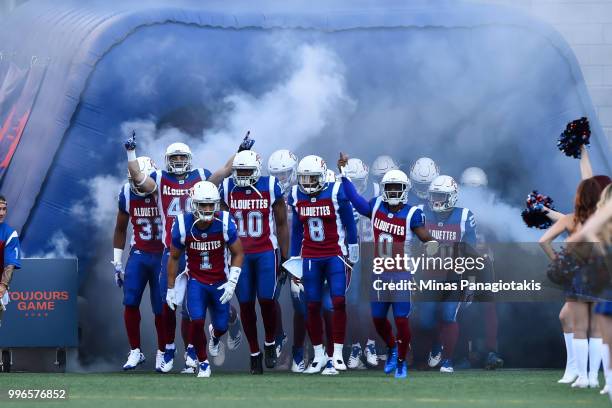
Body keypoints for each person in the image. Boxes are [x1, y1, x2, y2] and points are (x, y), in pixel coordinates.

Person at [123, 133, 245, 373]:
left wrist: (241, 150)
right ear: (168, 159)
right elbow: (138, 178)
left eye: (182, 156)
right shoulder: (159, 177)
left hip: (199, 250)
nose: (178, 161)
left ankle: (193, 349)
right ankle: (169, 348)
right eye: (174, 157)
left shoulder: (201, 176)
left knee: (192, 308)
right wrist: (130, 152)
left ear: (189, 158)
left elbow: (226, 170)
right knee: (167, 302)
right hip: (173, 248)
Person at [339, 153, 437, 378]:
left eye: (397, 188)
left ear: (405, 189)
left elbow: (424, 236)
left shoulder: (413, 212)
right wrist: (343, 175)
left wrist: (432, 243)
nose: (393, 192)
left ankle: (401, 361)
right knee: (378, 319)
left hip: (401, 274)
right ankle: (393, 348)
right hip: (380, 274)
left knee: (401, 319)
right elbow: (355, 200)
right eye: (389, 187)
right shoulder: (375, 206)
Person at [219, 150, 289, 374]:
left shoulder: (270, 186)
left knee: (267, 301)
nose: (242, 175)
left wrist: (286, 257)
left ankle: (269, 342)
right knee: (246, 305)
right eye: (239, 171)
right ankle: (254, 353)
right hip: (240, 255)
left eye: (247, 171)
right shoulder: (228, 187)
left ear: (257, 170)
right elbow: (222, 226)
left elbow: (282, 224)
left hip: (266, 252)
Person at [288, 155, 359, 375]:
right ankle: (318, 356)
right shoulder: (295, 194)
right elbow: (297, 230)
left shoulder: (336, 191)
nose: (307, 183)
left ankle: (336, 354)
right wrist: (293, 259)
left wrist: (353, 250)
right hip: (310, 256)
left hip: (334, 254)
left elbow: (349, 223)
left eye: (312, 178)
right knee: (311, 305)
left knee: (337, 301)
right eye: (304, 178)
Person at [165, 181, 244, 378]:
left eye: (211, 205)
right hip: (196, 281)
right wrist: (171, 288)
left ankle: (215, 337)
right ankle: (203, 362)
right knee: (196, 322)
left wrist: (232, 281)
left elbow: (238, 253)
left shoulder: (224, 222)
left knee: (221, 327)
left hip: (219, 281)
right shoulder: (183, 224)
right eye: (203, 205)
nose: (208, 209)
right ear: (194, 204)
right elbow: (174, 257)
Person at [539, 177, 605, 388]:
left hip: (578, 276)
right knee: (594, 328)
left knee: (578, 326)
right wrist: (546, 211)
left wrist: (559, 263)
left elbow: (544, 240)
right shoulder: (604, 219)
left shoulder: (572, 219)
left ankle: (581, 375)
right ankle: (589, 376)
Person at [417, 175, 478, 373]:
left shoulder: (464, 216)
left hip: (454, 274)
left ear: (451, 197)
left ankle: (448, 360)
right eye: (434, 195)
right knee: (426, 319)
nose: (436, 200)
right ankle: (437, 345)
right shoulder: (422, 212)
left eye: (441, 196)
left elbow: (471, 250)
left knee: (448, 315)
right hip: (429, 274)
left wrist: (471, 280)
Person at [112, 156, 165, 371]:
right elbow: (120, 228)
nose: (136, 184)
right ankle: (135, 350)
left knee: (160, 307)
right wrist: (116, 260)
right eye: (133, 180)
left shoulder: (164, 190)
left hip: (163, 254)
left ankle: (163, 351)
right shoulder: (126, 192)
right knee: (130, 301)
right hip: (140, 253)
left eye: (140, 179)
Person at [0, 195, 21, 328]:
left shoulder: (10, 234)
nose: (1, 213)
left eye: (4, 209)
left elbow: (10, 264)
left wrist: (2, 286)